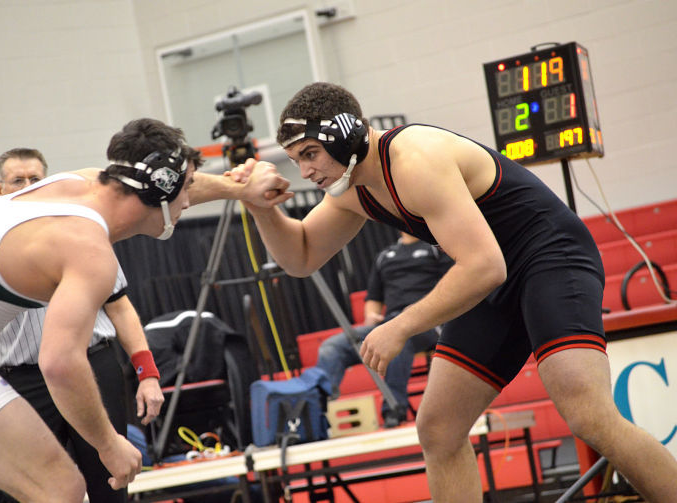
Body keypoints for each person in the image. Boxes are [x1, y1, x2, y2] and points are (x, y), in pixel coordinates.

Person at [230, 82, 677, 502]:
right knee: (439, 429)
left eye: (310, 153)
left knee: (587, 413)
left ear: (346, 137)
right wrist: (260, 208)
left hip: (548, 257)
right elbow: (302, 257)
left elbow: (484, 265)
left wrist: (400, 325)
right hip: (492, 273)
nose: (306, 171)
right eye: (296, 160)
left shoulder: (413, 159)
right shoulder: (352, 189)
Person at [0, 117, 291, 503]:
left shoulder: (81, 182)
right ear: (161, 192)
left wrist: (241, 188)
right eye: (185, 189)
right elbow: (60, 363)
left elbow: (171, 184)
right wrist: (109, 443)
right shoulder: (90, 249)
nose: (187, 201)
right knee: (62, 487)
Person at [0, 147, 165, 503]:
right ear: (0, 190)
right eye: (18, 181)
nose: (28, 186)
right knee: (30, 490)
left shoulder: (81, 233)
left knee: (110, 483)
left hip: (91, 369)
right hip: (24, 380)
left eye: (35, 180)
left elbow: (120, 309)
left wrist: (147, 372)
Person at [316, 231, 452, 427]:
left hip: (428, 322)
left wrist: (417, 314)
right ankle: (317, 412)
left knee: (397, 335)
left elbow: (450, 287)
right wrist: (371, 316)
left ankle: (393, 409)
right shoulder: (384, 256)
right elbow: (373, 299)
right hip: (390, 321)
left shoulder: (435, 247)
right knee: (333, 347)